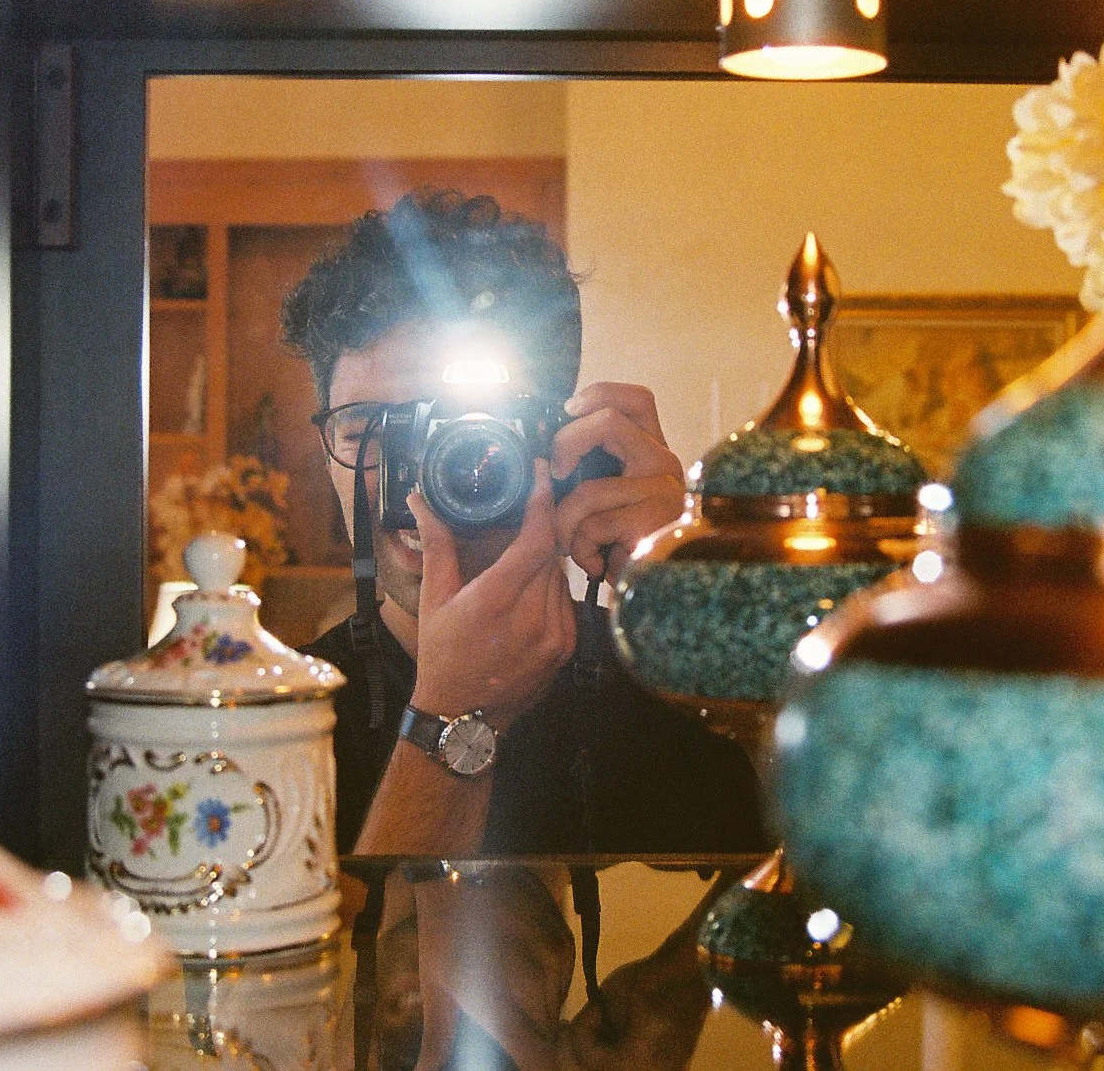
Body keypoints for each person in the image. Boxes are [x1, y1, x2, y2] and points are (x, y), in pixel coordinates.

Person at [281, 188, 764, 856]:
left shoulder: (669, 684)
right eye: (370, 430)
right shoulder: (275, 722)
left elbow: (840, 901)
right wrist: (451, 712)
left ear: (552, 437)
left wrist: (700, 621)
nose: (420, 477)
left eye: (458, 429)